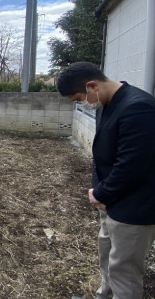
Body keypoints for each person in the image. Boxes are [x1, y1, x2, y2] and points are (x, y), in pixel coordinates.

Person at [56, 62, 155, 299]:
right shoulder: (104, 104)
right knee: (107, 256)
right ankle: (105, 294)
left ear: (92, 85)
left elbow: (132, 165)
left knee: (125, 269)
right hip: (110, 200)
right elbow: (101, 154)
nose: (81, 104)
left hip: (134, 206)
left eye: (78, 98)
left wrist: (102, 193)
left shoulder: (139, 108)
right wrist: (99, 191)